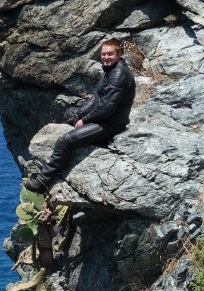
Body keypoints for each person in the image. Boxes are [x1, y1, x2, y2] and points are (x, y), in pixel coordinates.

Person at [22, 38, 135, 193]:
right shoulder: (109, 70)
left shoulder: (119, 75)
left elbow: (106, 108)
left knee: (65, 141)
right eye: (104, 54)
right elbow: (96, 98)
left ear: (119, 54)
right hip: (103, 117)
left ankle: (42, 183)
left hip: (111, 123)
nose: (106, 57)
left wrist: (85, 120)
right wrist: (78, 114)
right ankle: (82, 137)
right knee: (69, 113)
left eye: (110, 54)